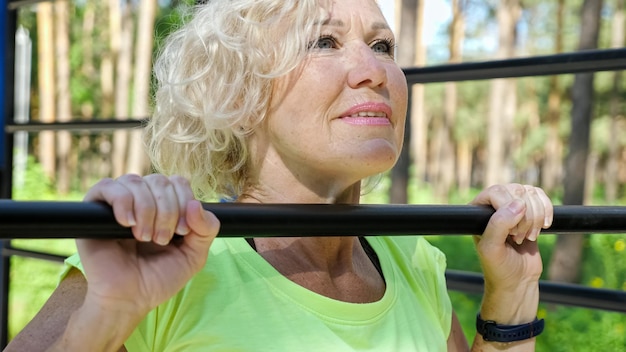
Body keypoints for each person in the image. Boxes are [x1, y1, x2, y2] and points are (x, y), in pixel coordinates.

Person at [6, 0, 553, 351]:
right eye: (324, 42)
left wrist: (515, 290)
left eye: (382, 46)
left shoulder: (413, 259)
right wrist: (108, 316)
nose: (375, 72)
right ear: (238, 97)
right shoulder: (154, 257)